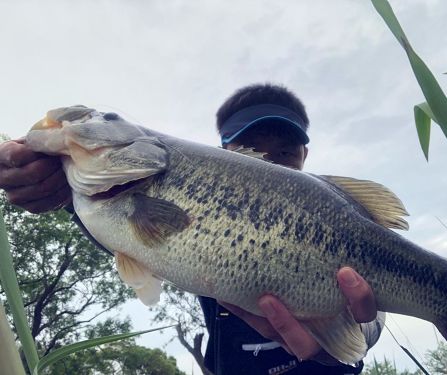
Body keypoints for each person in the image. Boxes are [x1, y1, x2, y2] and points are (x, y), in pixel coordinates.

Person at [0, 83, 384, 374]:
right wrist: (60, 190)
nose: (269, 161)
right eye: (251, 148)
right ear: (222, 150)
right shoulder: (173, 197)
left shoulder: (341, 221)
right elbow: (138, 237)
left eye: (285, 151)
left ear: (305, 156)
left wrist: (341, 348)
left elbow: (373, 322)